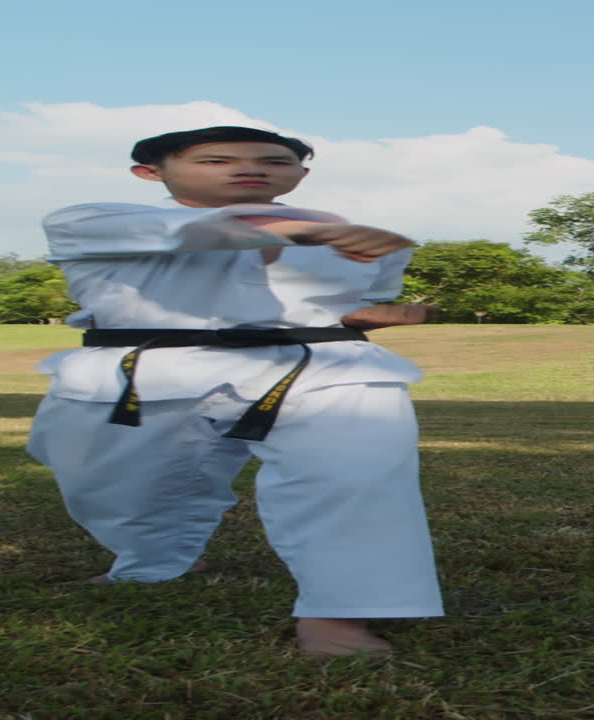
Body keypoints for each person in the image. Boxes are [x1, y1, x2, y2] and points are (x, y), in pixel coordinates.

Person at [26, 126, 443, 656]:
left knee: (355, 474)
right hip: (148, 369)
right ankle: (154, 560)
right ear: (150, 172)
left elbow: (342, 307)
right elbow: (207, 232)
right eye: (217, 159)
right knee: (115, 486)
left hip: (323, 365)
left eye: (273, 160)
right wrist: (308, 232)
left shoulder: (358, 239)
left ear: (301, 174)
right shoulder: (91, 220)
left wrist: (377, 316)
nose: (250, 168)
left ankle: (338, 615)